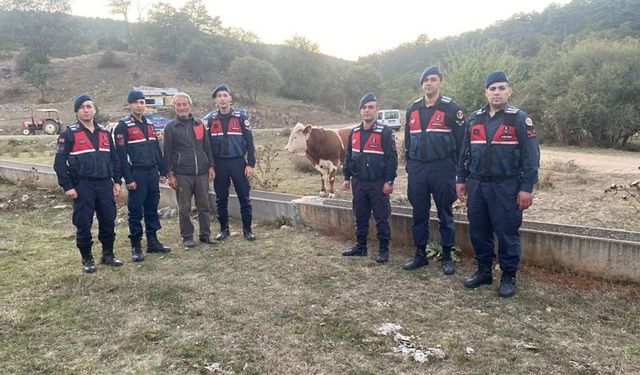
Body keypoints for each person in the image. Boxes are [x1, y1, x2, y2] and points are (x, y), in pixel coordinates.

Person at [456, 70, 540, 297]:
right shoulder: (475, 119)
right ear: (486, 92)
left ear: (509, 91)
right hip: (477, 185)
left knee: (507, 232)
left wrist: (526, 188)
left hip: (506, 186)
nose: (497, 92)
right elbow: (465, 152)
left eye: (501, 88)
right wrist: (461, 179)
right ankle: (484, 272)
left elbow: (531, 158)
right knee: (478, 230)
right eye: (492, 89)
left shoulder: (519, 119)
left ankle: (508, 276)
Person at [403, 66, 467, 275]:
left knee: (445, 213)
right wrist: (411, 166)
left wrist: (459, 174)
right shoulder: (412, 109)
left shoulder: (451, 108)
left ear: (440, 82)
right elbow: (407, 140)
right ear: (421, 85)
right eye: (425, 80)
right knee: (419, 213)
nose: (428, 83)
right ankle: (420, 254)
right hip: (418, 169)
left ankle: (447, 256)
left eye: (432, 79)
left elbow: (462, 144)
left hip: (442, 168)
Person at [53, 94, 123, 273]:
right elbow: (59, 164)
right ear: (77, 110)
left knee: (108, 220)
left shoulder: (105, 133)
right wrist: (67, 186)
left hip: (105, 185)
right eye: (83, 106)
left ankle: (108, 254)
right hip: (82, 185)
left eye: (90, 106)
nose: (87, 109)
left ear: (94, 109)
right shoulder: (68, 134)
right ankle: (87, 258)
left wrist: (117, 181)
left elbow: (115, 159)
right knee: (83, 222)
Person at [113, 90, 171, 262]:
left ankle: (153, 242)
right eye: (136, 102)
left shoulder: (150, 125)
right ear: (129, 104)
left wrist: (162, 171)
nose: (139, 105)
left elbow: (156, 150)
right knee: (136, 211)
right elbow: (121, 156)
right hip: (136, 173)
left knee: (152, 208)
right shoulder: (123, 127)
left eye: (142, 102)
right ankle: (136, 246)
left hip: (152, 173)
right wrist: (128, 178)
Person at [342, 93, 398, 263]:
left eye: (371, 107)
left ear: (377, 110)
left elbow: (391, 159)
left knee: (381, 217)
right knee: (360, 215)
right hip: (359, 182)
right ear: (360, 111)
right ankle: (361, 247)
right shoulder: (354, 132)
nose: (367, 111)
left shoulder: (385, 132)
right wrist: (346, 177)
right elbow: (349, 156)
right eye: (364, 107)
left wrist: (389, 181)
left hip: (378, 183)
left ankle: (383, 250)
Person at [163, 92, 215, 248]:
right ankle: (187, 236)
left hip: (201, 173)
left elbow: (207, 147)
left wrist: (211, 166)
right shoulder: (170, 127)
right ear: (174, 107)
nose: (182, 107)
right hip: (182, 174)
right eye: (178, 105)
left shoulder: (199, 124)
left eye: (184, 104)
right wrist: (169, 174)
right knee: (184, 207)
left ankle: (205, 235)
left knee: (204, 205)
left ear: (190, 105)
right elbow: (167, 152)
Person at [207, 84, 256, 241]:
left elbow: (249, 142)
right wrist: (210, 166)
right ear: (215, 100)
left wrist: (250, 164)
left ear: (230, 98)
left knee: (244, 196)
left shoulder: (241, 117)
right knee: (221, 198)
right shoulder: (210, 119)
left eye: (224, 95)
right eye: (219, 96)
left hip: (238, 163)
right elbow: (207, 146)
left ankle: (247, 230)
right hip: (219, 164)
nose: (222, 98)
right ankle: (224, 229)